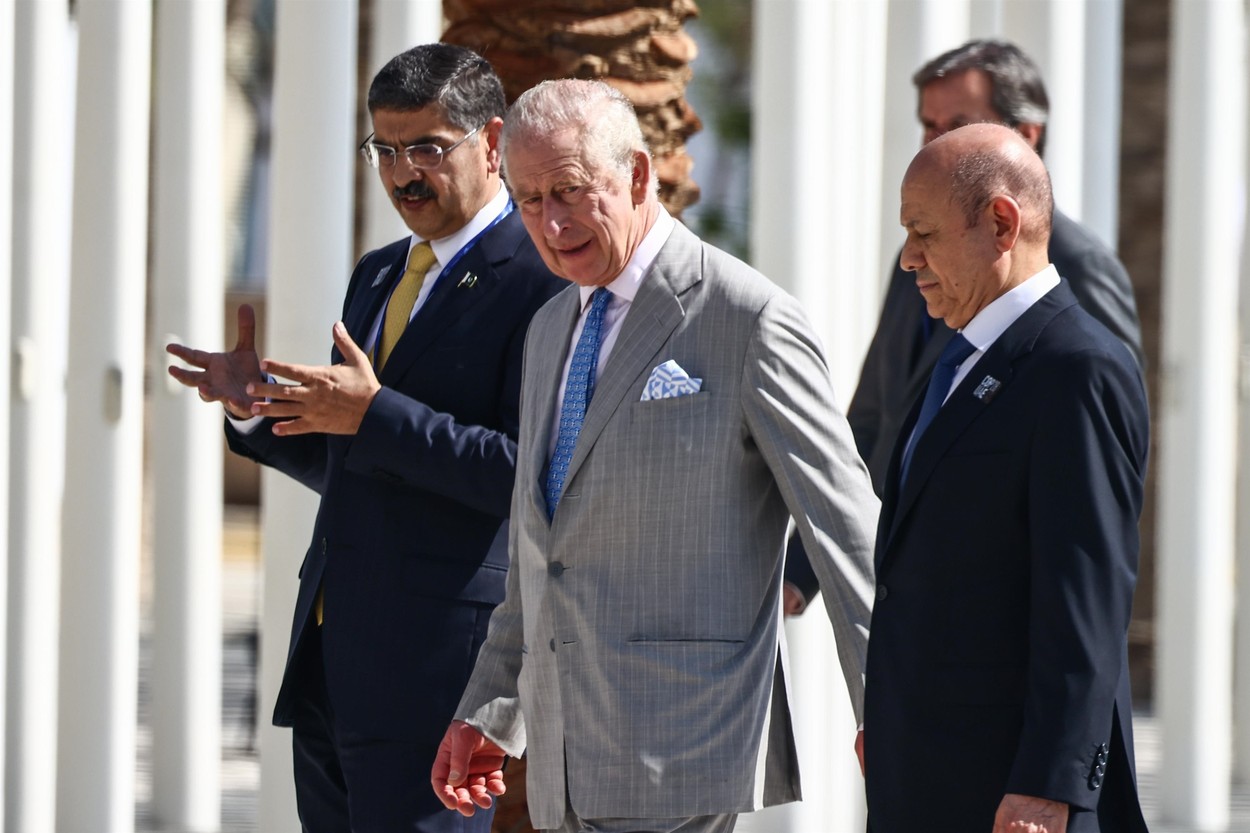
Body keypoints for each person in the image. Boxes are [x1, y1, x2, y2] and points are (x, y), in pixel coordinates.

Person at [429, 79, 880, 833]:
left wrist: (888, 707)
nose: (550, 221)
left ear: (638, 174)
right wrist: (490, 711)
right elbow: (543, 553)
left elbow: (847, 532)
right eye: (530, 199)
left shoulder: (747, 318)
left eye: (571, 191)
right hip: (567, 756)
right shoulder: (549, 331)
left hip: (687, 746)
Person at [166, 44, 564, 833]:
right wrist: (258, 410)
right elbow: (358, 459)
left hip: (440, 680)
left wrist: (374, 414)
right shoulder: (381, 272)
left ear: (490, 142)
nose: (401, 173)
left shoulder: (542, 281)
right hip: (330, 662)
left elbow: (531, 476)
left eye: (426, 148)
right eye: (384, 149)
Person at [783, 38, 1144, 614]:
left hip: (995, 617)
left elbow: (1094, 457)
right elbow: (875, 417)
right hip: (902, 601)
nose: (935, 143)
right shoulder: (914, 262)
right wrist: (800, 572)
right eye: (929, 125)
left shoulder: (1082, 271)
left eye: (957, 124)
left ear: (1026, 136)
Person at [864, 122, 1150, 832]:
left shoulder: (1076, 367)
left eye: (923, 232)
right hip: (926, 773)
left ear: (999, 222)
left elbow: (1084, 600)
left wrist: (1048, 784)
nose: (908, 258)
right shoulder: (954, 359)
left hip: (1012, 801)